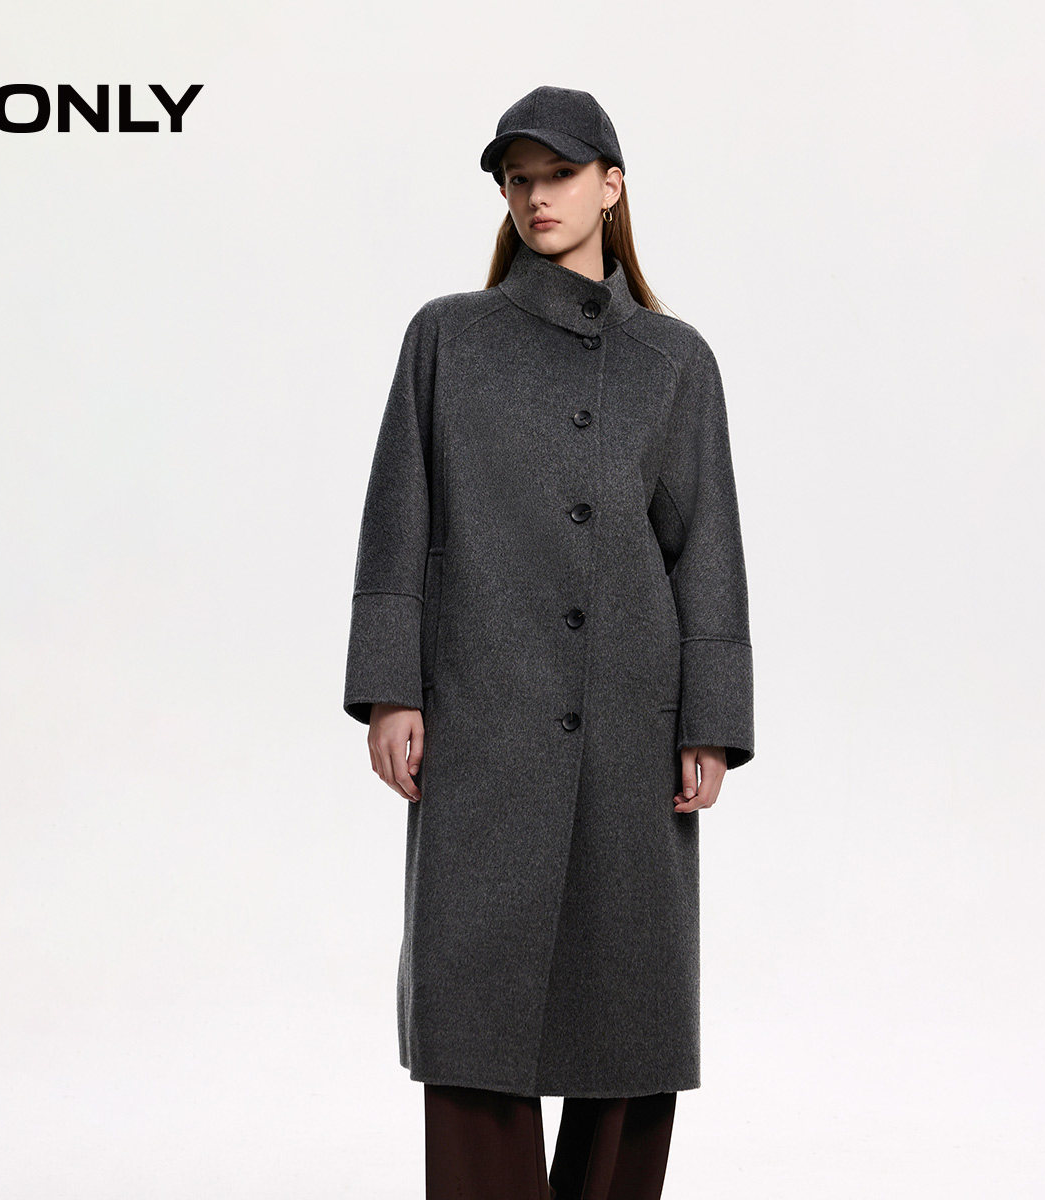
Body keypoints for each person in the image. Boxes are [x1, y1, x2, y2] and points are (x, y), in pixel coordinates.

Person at [343, 84, 755, 1199]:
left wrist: (711, 720)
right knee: (474, 1014)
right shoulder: (447, 338)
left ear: (611, 186)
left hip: (634, 727)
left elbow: (704, 546)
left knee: (631, 1015)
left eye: (560, 175)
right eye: (518, 180)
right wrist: (390, 689)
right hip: (481, 716)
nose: (536, 197)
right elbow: (400, 517)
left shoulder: (676, 359)